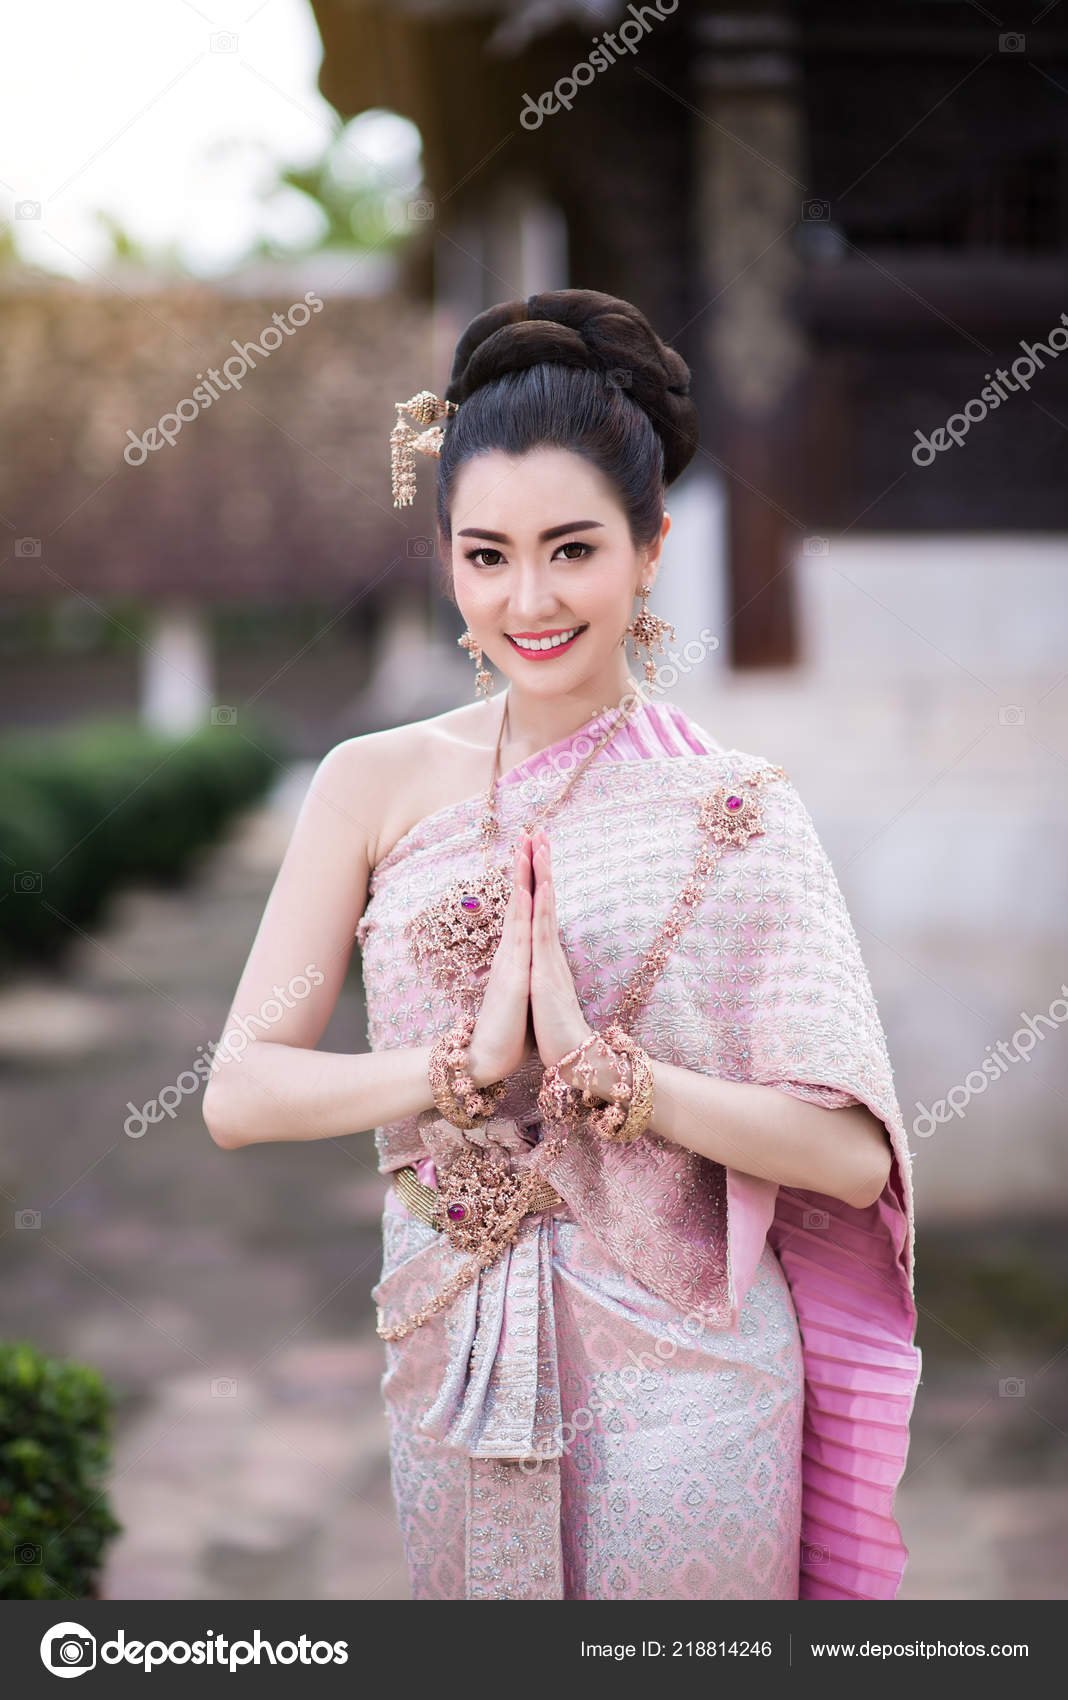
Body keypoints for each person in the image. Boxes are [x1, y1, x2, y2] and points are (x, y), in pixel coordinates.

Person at [203, 289, 920, 1603]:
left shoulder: (735, 805)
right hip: (454, 1352)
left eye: (572, 550)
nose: (526, 599)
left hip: (691, 1382)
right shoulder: (369, 785)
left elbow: (848, 1152)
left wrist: (614, 1075)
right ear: (447, 562)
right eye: (486, 556)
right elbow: (241, 1094)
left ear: (650, 548)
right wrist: (459, 1065)